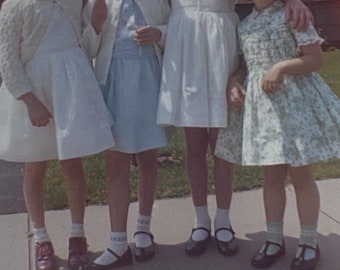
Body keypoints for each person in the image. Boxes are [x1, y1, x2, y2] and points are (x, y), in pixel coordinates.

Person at [156, 0, 314, 258]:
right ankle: (200, 222)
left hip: (220, 38)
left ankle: (223, 220)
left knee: (222, 146)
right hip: (184, 41)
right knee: (194, 144)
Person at [215, 0, 340, 269]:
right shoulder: (245, 23)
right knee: (271, 177)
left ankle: (308, 242)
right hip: (266, 113)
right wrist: (234, 80)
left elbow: (314, 59)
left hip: (294, 106)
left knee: (301, 175)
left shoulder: (293, 13)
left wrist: (281, 67)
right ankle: (274, 239)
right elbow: (243, 65)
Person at [0, 0, 115, 269]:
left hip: (70, 90)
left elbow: (84, 44)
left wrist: (96, 24)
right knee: (35, 165)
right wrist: (30, 100)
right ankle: (41, 237)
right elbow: (7, 59)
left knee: (72, 162)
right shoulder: (16, 6)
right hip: (35, 92)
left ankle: (77, 234)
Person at [82, 0, 171, 268]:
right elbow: (87, 46)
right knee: (116, 162)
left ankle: (143, 228)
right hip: (113, 80)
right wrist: (96, 24)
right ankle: (118, 242)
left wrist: (158, 33)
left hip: (147, 76)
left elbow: (173, 29)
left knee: (147, 157)